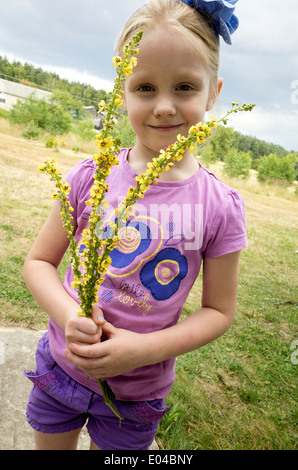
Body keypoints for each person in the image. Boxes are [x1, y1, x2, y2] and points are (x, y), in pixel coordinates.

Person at [23, 0, 247, 451]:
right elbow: (38, 263)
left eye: (184, 86)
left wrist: (143, 350)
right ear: (121, 91)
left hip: (137, 394)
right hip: (60, 368)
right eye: (145, 87)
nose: (164, 107)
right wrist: (70, 315)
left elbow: (219, 312)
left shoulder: (220, 206)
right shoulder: (91, 176)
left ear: (213, 93)